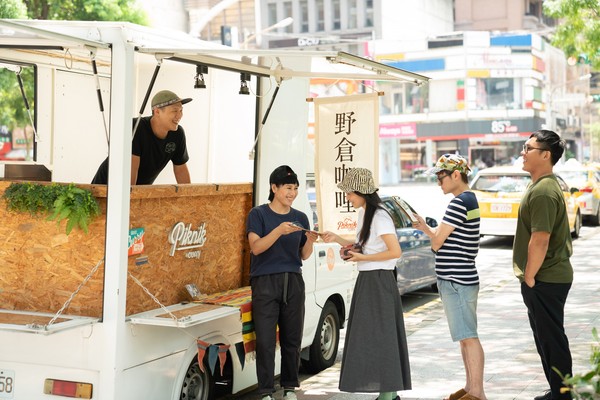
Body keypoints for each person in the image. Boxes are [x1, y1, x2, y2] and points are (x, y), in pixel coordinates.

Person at [321, 167, 411, 400]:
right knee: (375, 337)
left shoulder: (379, 216)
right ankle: (388, 394)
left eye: (350, 193)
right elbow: (366, 245)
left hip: (379, 281)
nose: (348, 198)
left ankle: (388, 394)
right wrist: (340, 241)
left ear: (362, 192)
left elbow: (395, 252)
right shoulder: (366, 212)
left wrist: (362, 257)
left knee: (379, 337)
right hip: (370, 280)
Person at [412, 154, 487, 400]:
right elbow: (443, 238)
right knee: (465, 337)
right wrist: (425, 227)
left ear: (456, 175)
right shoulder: (469, 199)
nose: (438, 182)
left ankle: (476, 392)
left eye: (441, 176)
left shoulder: (458, 203)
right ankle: (470, 388)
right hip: (461, 277)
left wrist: (430, 235)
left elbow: (437, 244)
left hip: (456, 279)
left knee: (468, 336)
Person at [246, 165, 318, 400]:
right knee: (265, 340)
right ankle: (266, 391)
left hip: (294, 281)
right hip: (265, 282)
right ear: (274, 188)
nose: (292, 193)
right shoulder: (258, 214)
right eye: (288, 188)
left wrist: (310, 240)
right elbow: (256, 248)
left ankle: (289, 387)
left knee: (292, 338)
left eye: (296, 188)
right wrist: (279, 231)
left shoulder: (301, 217)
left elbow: (304, 256)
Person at [513, 130, 573, 400]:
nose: (522, 153)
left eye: (528, 148)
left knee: (551, 339)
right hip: (544, 277)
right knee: (546, 338)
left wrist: (529, 277)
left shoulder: (545, 191)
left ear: (546, 155)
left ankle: (562, 395)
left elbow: (540, 239)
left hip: (546, 278)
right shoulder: (540, 185)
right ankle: (557, 390)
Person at [91, 90, 192, 185]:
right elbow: (131, 171)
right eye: (175, 111)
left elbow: (180, 169)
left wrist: (190, 197)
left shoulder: (178, 134)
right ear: (157, 112)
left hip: (138, 192)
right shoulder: (135, 127)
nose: (179, 115)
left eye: (181, 110)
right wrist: (131, 200)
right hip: (108, 188)